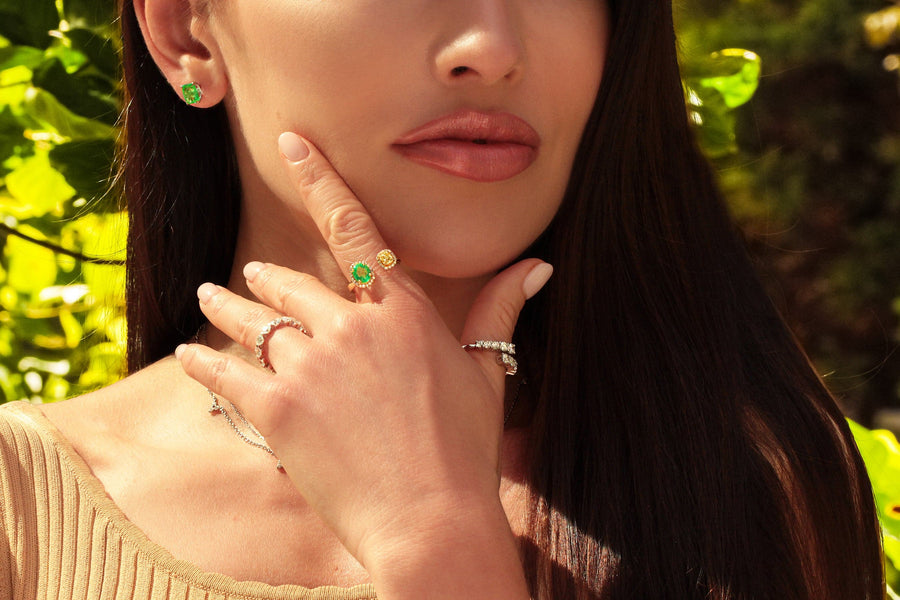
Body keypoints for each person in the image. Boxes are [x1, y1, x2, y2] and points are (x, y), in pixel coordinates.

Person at [0, 0, 885, 598]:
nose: (492, 48)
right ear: (186, 32)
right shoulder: (21, 504)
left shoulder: (753, 478)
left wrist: (436, 541)